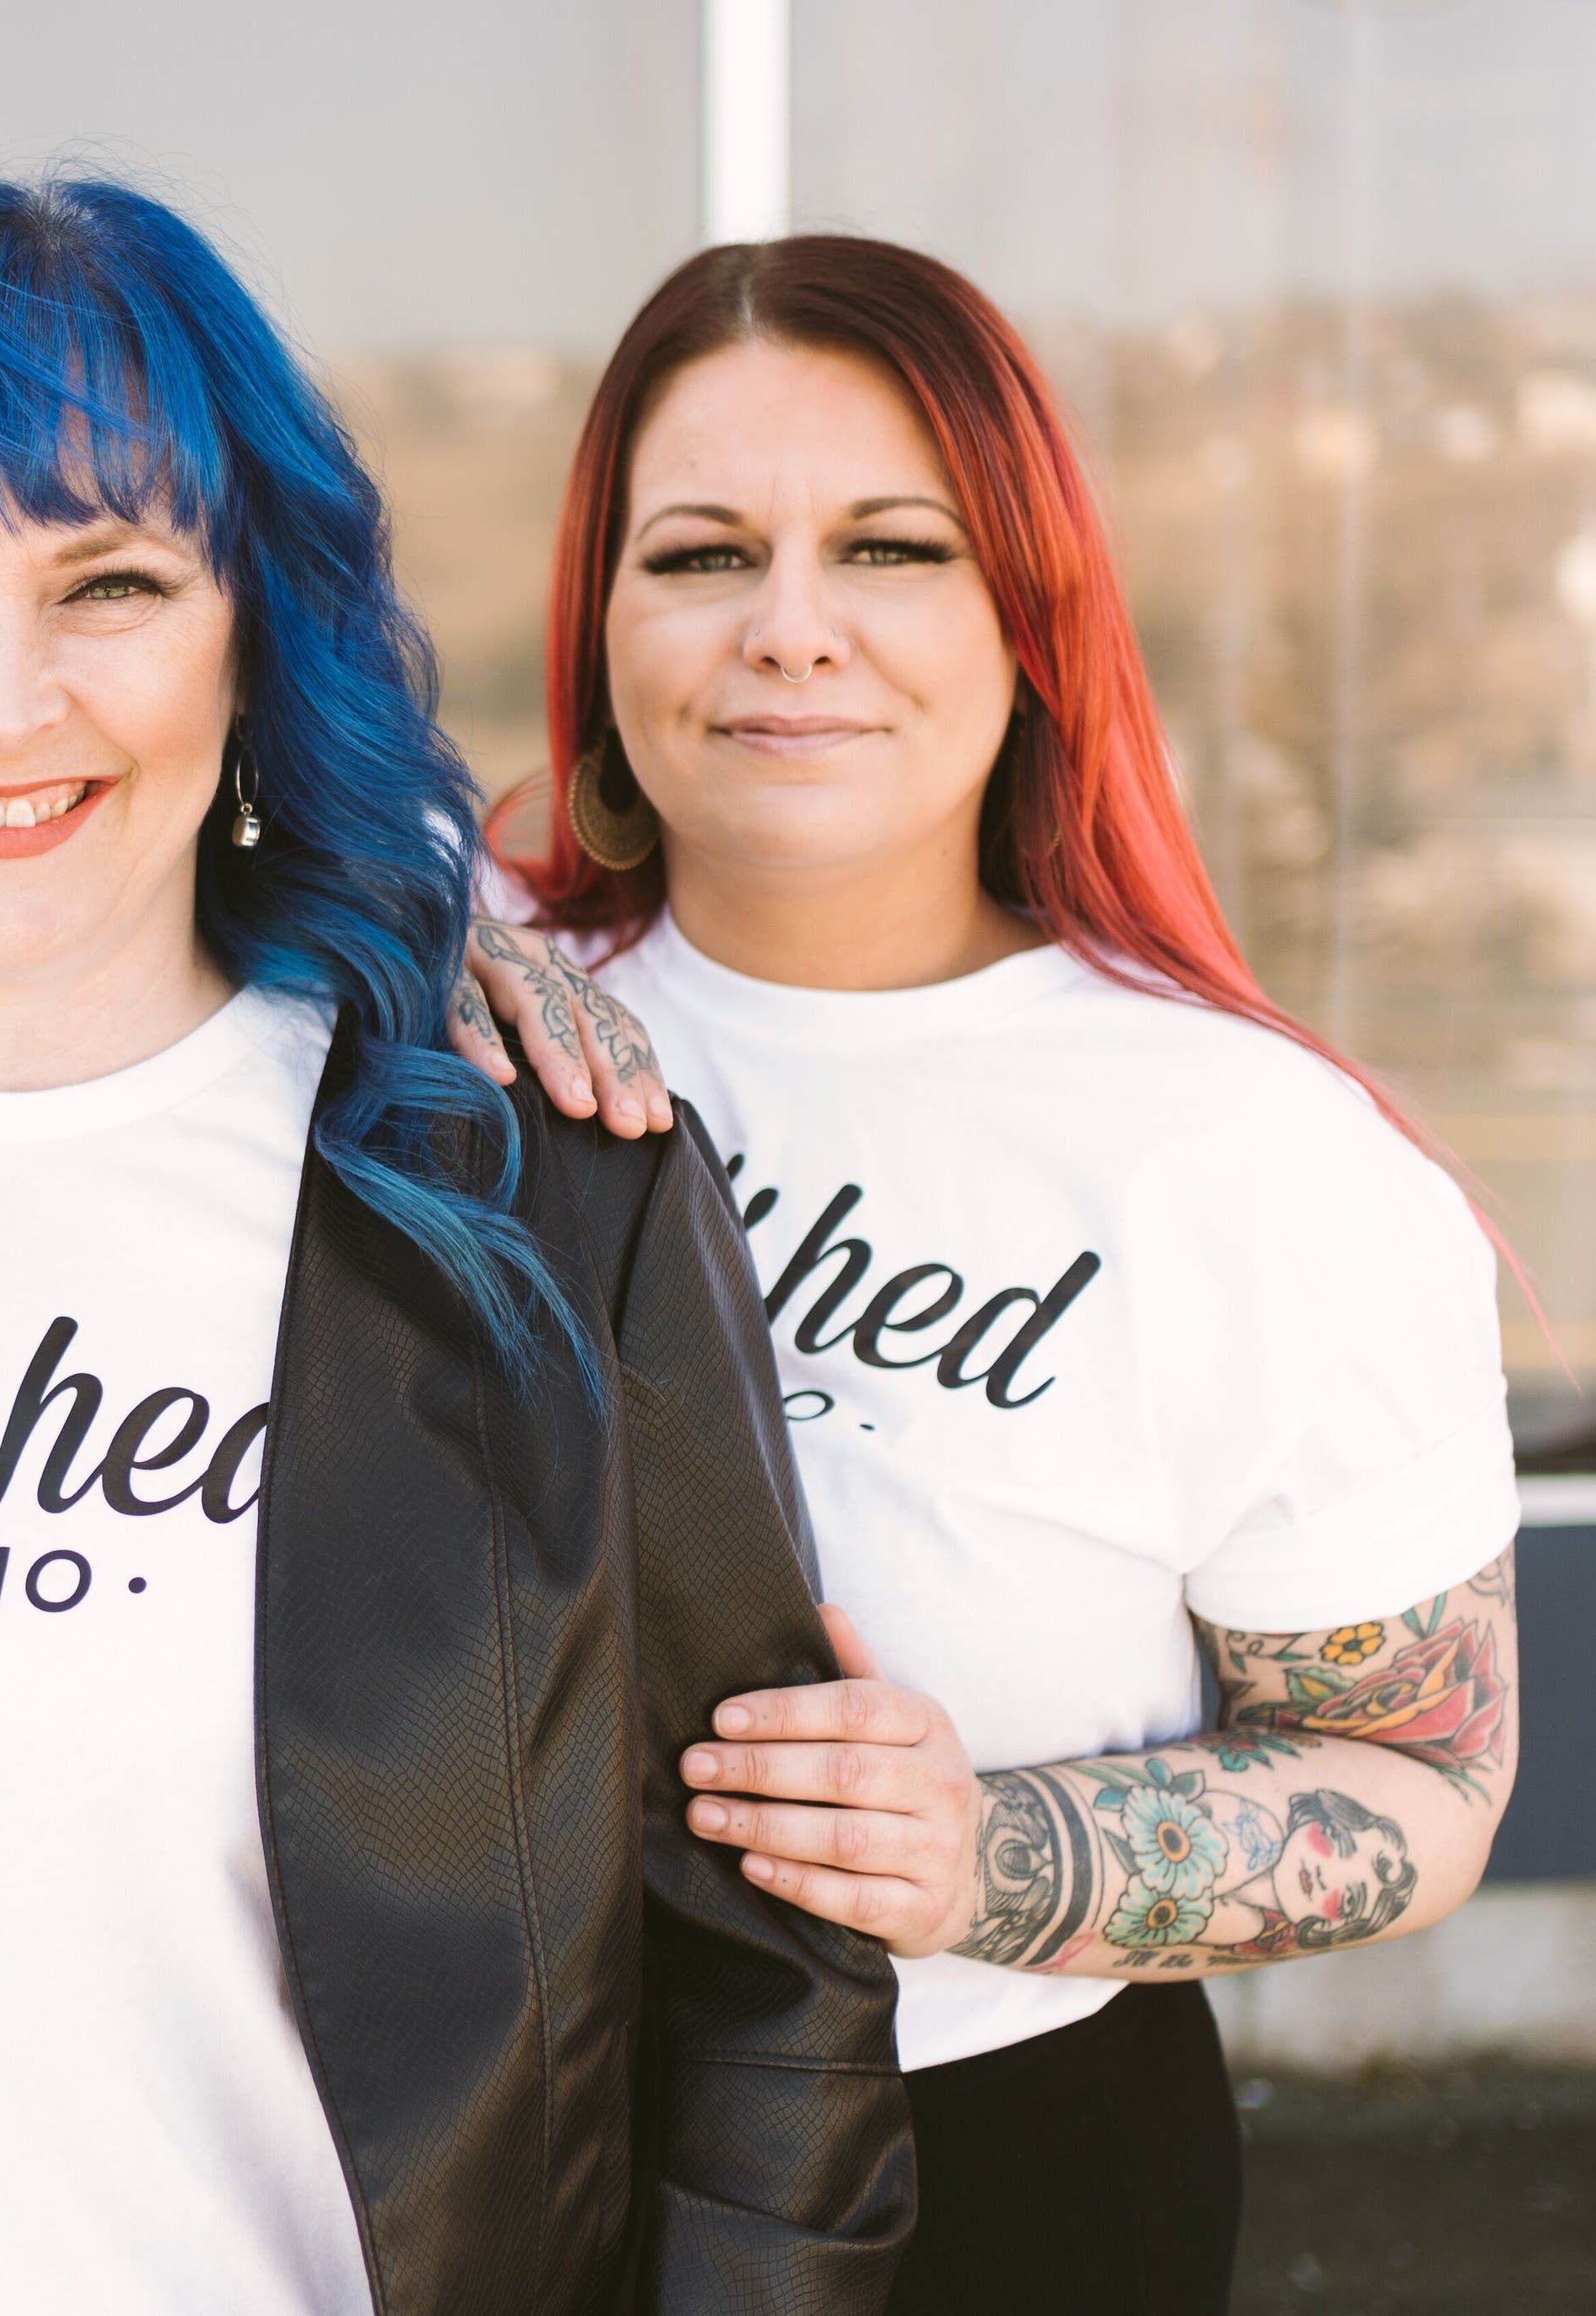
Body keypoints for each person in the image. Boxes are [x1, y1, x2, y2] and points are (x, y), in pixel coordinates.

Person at [0, 176, 913, 2316]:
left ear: (250, 638)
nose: (1, 699)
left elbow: (772, 1998)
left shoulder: (536, 1216)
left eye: (112, 581)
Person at [469, 234, 1524, 2316]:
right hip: (442, 2133)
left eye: (890, 548)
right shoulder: (449, 1036)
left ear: (1030, 612)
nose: (790, 632)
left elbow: (1426, 1779)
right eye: (697, 557)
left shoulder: (1243, 1147)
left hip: (996, 2160)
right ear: (598, 627)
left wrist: (996, 1852)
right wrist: (434, 926)